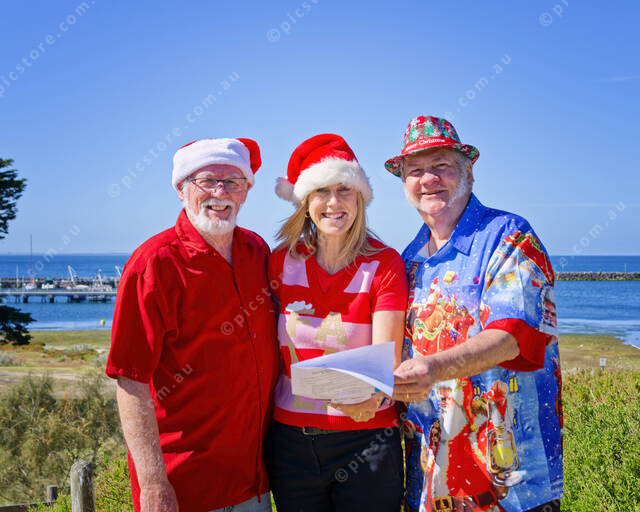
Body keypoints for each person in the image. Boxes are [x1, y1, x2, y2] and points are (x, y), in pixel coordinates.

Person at [386, 116, 563, 512]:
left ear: (468, 171)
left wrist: (432, 368)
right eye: (415, 170)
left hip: (511, 485)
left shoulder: (509, 235)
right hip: (431, 481)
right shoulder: (407, 259)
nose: (428, 179)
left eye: (441, 166)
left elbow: (511, 335)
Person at [105, 138, 279, 512]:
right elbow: (130, 380)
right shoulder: (153, 264)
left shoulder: (258, 252)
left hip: (255, 485)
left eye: (232, 181)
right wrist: (153, 484)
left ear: (246, 191)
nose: (220, 192)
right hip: (185, 488)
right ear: (181, 189)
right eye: (206, 181)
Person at [265, 133, 408, 511]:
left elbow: (385, 364)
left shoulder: (384, 264)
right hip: (291, 445)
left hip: (367, 441)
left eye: (344, 189)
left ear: (360, 197)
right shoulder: (280, 262)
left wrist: (369, 395)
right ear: (305, 202)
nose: (334, 202)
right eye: (322, 192)